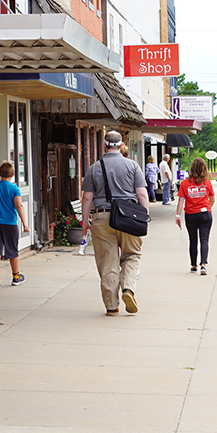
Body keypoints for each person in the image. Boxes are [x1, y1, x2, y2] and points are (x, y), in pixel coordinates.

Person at [80, 131, 151, 316]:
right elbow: (142, 194)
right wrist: (146, 217)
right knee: (132, 254)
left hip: (102, 218)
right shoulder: (133, 166)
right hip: (129, 217)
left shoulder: (94, 168)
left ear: (104, 145)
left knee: (107, 262)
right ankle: (128, 288)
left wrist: (85, 223)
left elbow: (87, 198)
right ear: (121, 146)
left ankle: (112, 306)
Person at [0, 161, 30, 289]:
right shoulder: (14, 189)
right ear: (13, 175)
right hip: (10, 224)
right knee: (12, 249)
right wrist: (25, 223)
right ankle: (16, 277)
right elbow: (19, 205)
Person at [175, 157, 216, 274]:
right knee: (204, 240)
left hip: (191, 214)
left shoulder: (185, 184)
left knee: (193, 240)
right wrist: (207, 209)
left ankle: (193, 265)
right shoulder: (207, 183)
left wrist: (178, 215)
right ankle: (203, 265)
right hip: (205, 214)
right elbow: (212, 199)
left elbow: (180, 201)